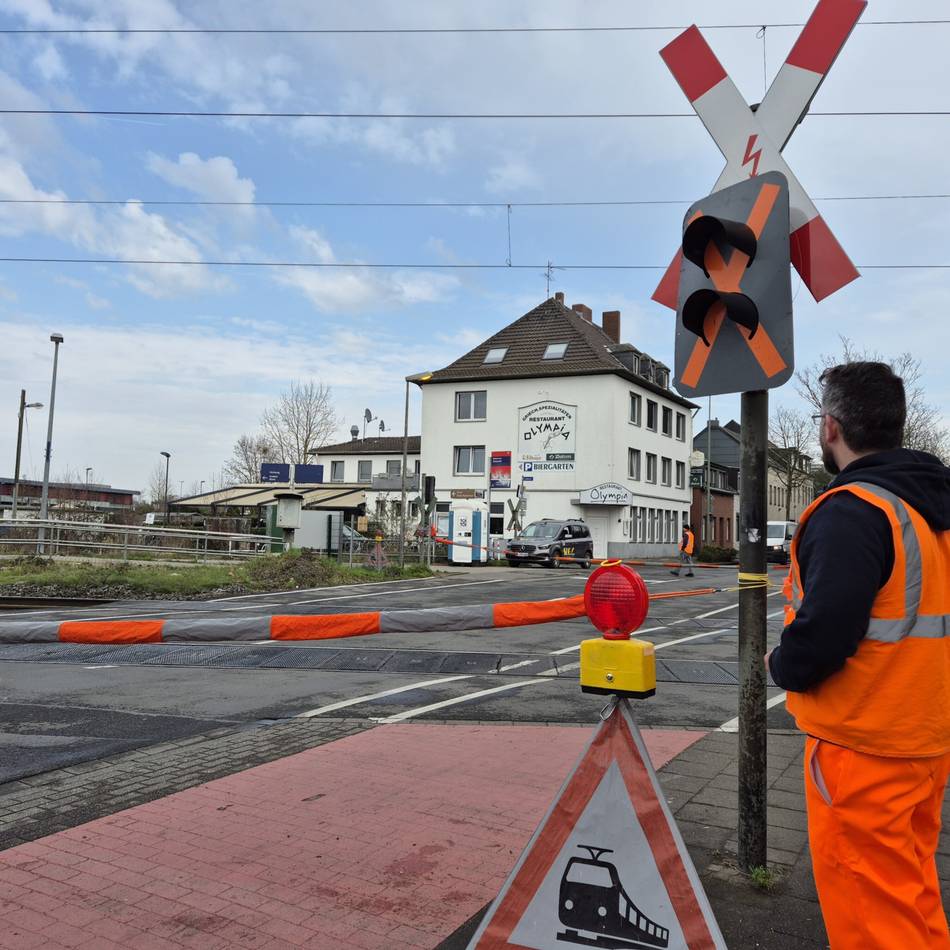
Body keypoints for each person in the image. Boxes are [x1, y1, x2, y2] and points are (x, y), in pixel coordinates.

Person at [767, 361, 950, 950]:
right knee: (911, 894)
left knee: (870, 914)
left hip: (863, 747)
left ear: (830, 427)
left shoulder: (854, 510)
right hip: (923, 738)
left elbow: (825, 631)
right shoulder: (930, 508)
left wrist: (782, 666)